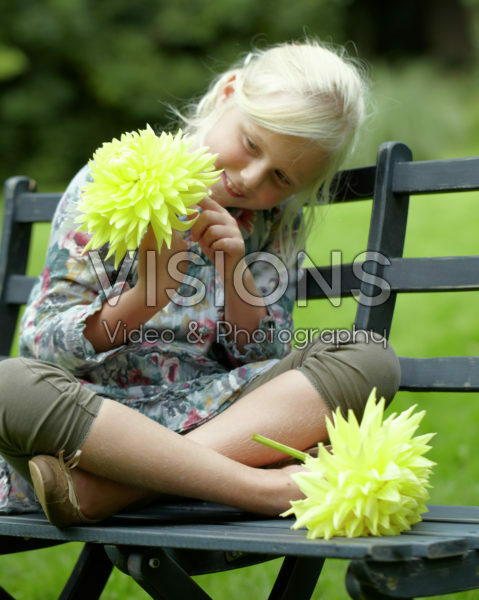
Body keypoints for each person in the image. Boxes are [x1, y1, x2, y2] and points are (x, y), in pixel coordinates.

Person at [0, 39, 400, 527]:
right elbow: (42, 347)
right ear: (230, 91)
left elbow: (267, 360)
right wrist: (147, 297)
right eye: (252, 144)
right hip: (91, 429)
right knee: (8, 385)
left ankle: (113, 491)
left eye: (280, 177)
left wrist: (235, 273)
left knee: (368, 357)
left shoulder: (273, 221)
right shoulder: (112, 182)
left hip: (212, 413)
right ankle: (261, 489)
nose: (252, 180)